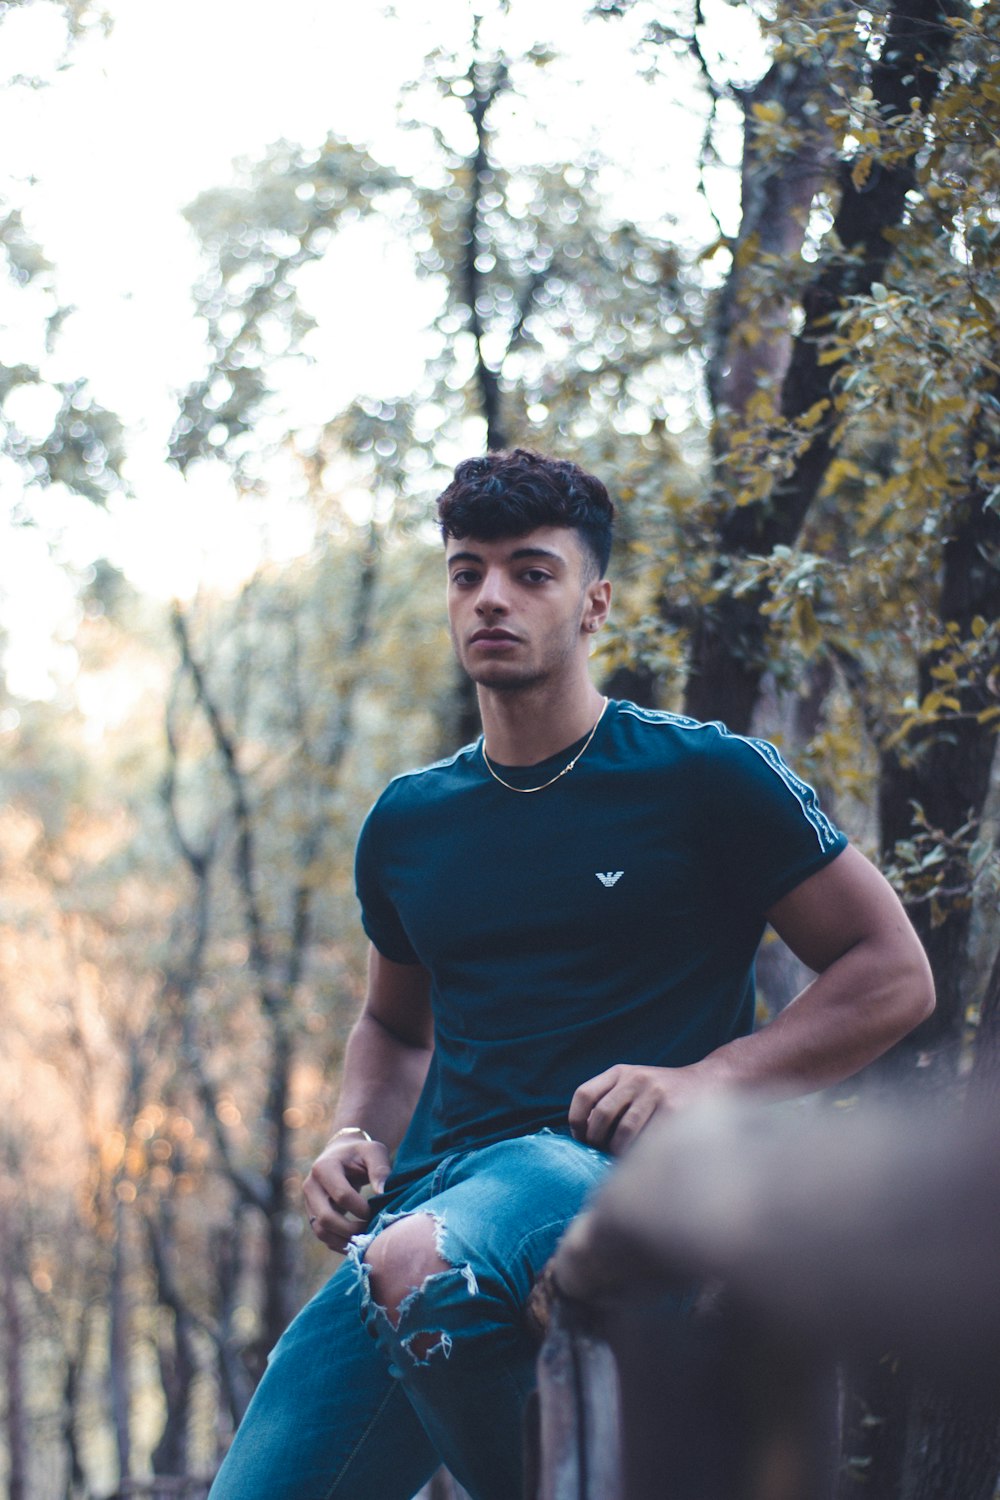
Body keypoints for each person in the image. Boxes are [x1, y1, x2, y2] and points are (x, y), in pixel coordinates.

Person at [208, 448, 934, 1500]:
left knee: (428, 1264)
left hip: (617, 1180)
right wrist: (352, 1136)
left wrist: (706, 1081)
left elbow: (893, 974)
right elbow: (394, 1029)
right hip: (426, 1200)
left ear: (593, 603)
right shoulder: (409, 821)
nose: (490, 597)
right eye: (466, 573)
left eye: (529, 572)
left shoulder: (703, 778)